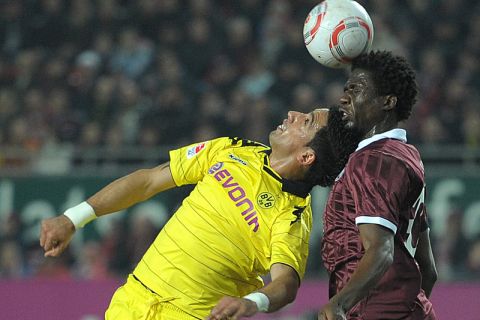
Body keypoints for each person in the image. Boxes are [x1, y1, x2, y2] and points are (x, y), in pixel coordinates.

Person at [40, 107, 358, 320]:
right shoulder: (235, 150)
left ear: (306, 156)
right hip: (132, 302)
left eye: (307, 122)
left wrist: (252, 302)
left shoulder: (292, 216)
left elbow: (286, 284)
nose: (292, 114)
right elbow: (148, 181)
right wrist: (73, 218)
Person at [318, 51, 438, 320]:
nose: (343, 98)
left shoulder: (373, 160)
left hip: (373, 308)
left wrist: (340, 303)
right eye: (346, 89)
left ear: (388, 101)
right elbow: (428, 270)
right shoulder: (405, 154)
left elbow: (381, 250)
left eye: (356, 89)